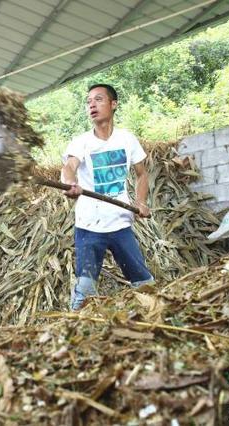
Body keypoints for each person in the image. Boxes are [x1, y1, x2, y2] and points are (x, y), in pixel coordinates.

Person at [61, 83, 154, 310]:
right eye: (89, 101)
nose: (92, 104)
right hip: (89, 226)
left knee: (144, 284)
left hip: (120, 223)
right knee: (84, 292)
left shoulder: (126, 139)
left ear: (113, 105)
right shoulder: (82, 142)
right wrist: (70, 184)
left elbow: (142, 174)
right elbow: (69, 167)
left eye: (99, 99)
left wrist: (140, 202)